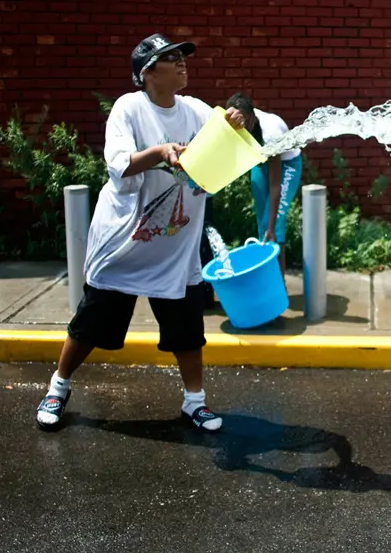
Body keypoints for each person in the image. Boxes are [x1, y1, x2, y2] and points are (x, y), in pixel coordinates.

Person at [35, 33, 246, 432]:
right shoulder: (129, 108)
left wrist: (239, 118)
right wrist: (161, 152)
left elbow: (236, 134)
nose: (183, 62)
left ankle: (195, 403)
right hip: (126, 241)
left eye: (183, 55)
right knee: (91, 323)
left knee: (187, 328)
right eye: (171, 58)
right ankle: (58, 387)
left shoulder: (196, 110)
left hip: (175, 244)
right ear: (147, 72)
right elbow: (118, 165)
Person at [226, 93, 302, 278]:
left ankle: (278, 286)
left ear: (251, 117)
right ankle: (268, 280)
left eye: (243, 123)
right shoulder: (235, 119)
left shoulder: (271, 134)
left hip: (286, 165)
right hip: (261, 161)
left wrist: (271, 225)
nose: (239, 128)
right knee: (263, 225)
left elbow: (275, 186)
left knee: (273, 225)